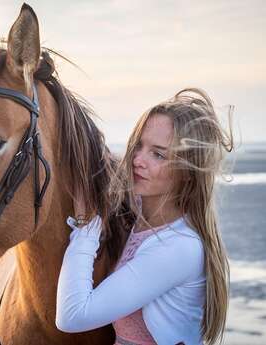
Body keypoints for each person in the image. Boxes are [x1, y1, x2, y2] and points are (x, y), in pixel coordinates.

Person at [56, 88, 232, 345]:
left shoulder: (178, 247)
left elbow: (73, 316)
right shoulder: (141, 214)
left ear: (187, 173)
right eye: (139, 146)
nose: (138, 159)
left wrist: (85, 225)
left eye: (158, 154)